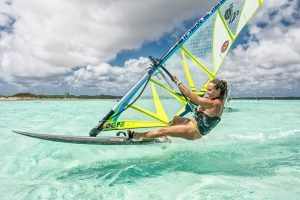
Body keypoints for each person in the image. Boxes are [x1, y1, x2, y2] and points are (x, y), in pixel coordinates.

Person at [127, 76, 228, 140]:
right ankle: (163, 137)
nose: (207, 92)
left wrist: (178, 82)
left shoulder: (216, 103)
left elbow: (191, 95)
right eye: (207, 90)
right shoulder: (214, 101)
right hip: (191, 124)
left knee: (162, 130)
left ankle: (137, 135)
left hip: (193, 131)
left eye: (210, 90)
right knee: (176, 119)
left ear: (218, 90)